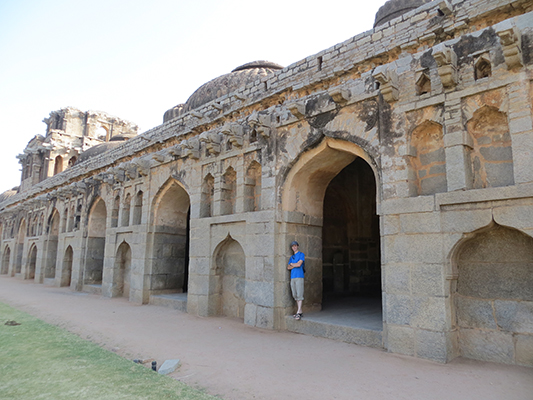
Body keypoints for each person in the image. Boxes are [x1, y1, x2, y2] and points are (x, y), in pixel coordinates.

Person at [287, 241, 305, 320]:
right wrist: (294, 265)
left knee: (299, 294)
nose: (294, 247)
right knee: (295, 294)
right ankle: (300, 311)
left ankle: (298, 311)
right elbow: (288, 267)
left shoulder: (301, 254)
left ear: (297, 246)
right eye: (292, 246)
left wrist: (292, 264)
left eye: (295, 246)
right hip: (293, 277)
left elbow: (299, 264)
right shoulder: (292, 257)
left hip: (299, 276)